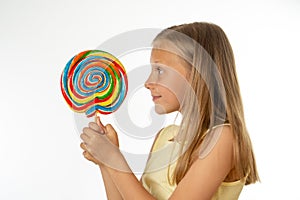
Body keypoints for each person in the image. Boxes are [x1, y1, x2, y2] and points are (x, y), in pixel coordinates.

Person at [80, 22, 259, 200]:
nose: (148, 82)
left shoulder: (222, 139)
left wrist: (114, 159)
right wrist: (106, 161)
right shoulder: (165, 137)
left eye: (160, 70)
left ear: (198, 74)